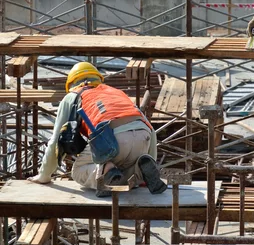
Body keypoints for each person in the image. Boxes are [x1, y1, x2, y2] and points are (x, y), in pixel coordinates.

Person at [28, 61, 167, 197]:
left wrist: (44, 175)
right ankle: (140, 172)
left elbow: (55, 141)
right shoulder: (116, 92)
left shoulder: (73, 96)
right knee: (123, 169)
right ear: (99, 79)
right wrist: (151, 159)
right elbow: (151, 130)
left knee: (78, 171)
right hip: (143, 135)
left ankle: (105, 172)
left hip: (112, 137)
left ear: (71, 84)